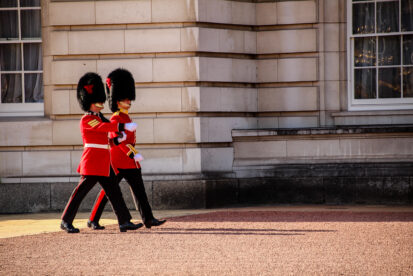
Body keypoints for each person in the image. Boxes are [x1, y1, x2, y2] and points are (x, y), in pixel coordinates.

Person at [60, 72, 143, 233]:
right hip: (92, 162)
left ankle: (124, 221)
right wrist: (121, 127)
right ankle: (65, 220)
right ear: (89, 103)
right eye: (97, 102)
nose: (100, 104)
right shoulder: (87, 119)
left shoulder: (99, 118)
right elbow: (102, 128)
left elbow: (107, 140)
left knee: (114, 192)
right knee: (80, 193)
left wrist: (117, 140)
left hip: (104, 163)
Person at [87, 68, 166, 230]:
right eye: (125, 99)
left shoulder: (125, 116)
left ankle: (148, 218)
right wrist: (133, 153)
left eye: (129, 99)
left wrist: (133, 156)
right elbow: (120, 142)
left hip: (129, 162)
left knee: (139, 190)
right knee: (108, 192)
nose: (129, 101)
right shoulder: (116, 118)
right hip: (118, 160)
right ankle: (93, 218)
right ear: (117, 101)